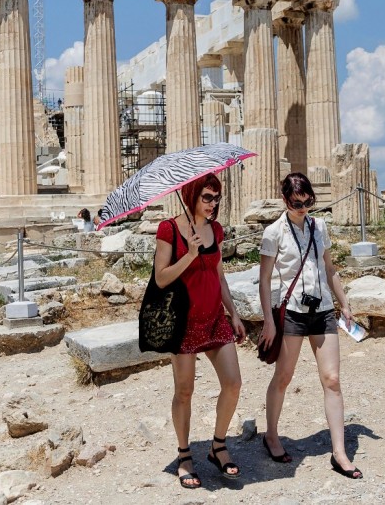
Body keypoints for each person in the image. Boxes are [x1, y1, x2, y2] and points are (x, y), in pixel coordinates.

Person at [258, 172, 362, 480]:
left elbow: (329, 268)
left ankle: (339, 452)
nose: (303, 208)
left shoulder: (320, 226)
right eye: (296, 203)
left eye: (308, 202)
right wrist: (268, 321)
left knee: (332, 379)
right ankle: (272, 435)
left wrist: (345, 303)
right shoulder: (273, 232)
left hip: (323, 309)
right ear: (285, 200)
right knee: (284, 376)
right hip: (291, 311)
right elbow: (264, 281)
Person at [153, 173, 246, 489]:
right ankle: (184, 455)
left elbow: (219, 276)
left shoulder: (216, 230)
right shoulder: (168, 229)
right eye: (207, 196)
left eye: (216, 197)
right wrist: (190, 256)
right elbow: (161, 278)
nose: (213, 203)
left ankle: (217, 445)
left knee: (233, 383)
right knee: (185, 391)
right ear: (191, 195)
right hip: (183, 322)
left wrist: (233, 313)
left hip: (214, 318)